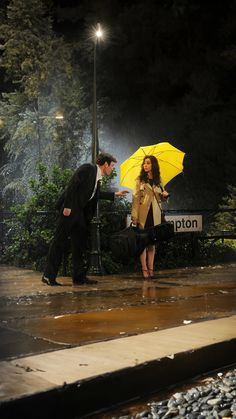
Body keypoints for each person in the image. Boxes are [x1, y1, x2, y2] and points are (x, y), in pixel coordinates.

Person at [42, 152, 129, 286]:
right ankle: (48, 276)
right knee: (59, 242)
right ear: (105, 164)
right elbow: (72, 185)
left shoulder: (97, 178)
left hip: (80, 214)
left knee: (79, 245)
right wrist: (67, 206)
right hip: (69, 211)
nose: (112, 169)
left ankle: (79, 278)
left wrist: (115, 194)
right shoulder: (88, 169)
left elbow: (95, 194)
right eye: (112, 166)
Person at [131, 155, 169, 279]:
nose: (145, 165)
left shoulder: (159, 180)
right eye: (144, 163)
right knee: (143, 243)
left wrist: (165, 195)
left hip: (155, 215)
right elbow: (135, 199)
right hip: (143, 215)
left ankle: (151, 269)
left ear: (153, 165)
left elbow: (162, 199)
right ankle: (144, 269)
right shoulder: (139, 180)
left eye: (148, 163)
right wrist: (134, 216)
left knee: (152, 243)